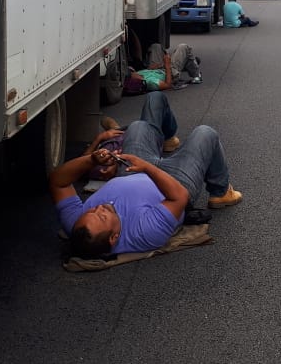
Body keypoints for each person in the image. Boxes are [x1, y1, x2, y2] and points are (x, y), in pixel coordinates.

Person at [49, 92, 242, 259]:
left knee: (139, 123)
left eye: (90, 211)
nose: (98, 208)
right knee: (205, 133)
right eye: (102, 217)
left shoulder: (77, 226)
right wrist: (148, 168)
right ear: (114, 237)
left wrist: (92, 160)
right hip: (174, 183)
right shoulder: (144, 234)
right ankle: (221, 191)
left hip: (130, 170)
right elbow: (179, 197)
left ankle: (166, 139)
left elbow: (58, 181)